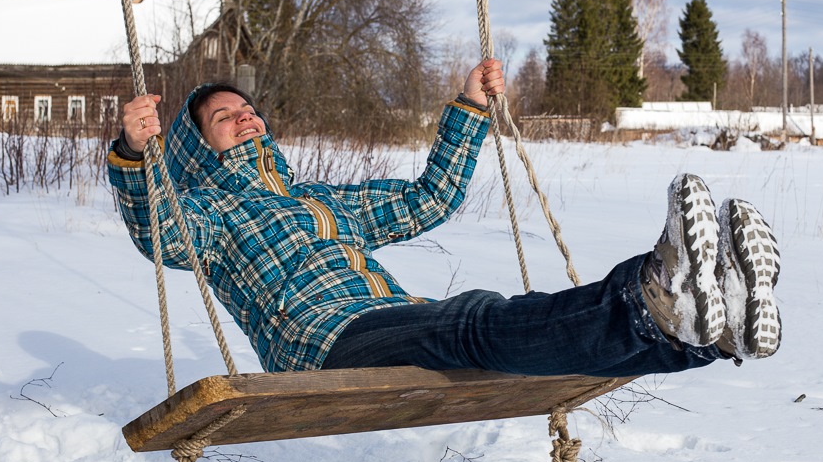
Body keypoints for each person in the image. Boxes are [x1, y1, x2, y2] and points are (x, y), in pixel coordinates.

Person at [107, 59, 781, 379]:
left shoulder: (320, 201)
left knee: (485, 334)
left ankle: (709, 331)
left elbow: (427, 200)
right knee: (471, 319)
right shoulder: (209, 213)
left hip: (392, 322)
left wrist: (467, 106)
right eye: (223, 116)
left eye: (248, 109)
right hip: (320, 346)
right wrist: (136, 155)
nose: (244, 117)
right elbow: (160, 234)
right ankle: (654, 290)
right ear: (198, 143)